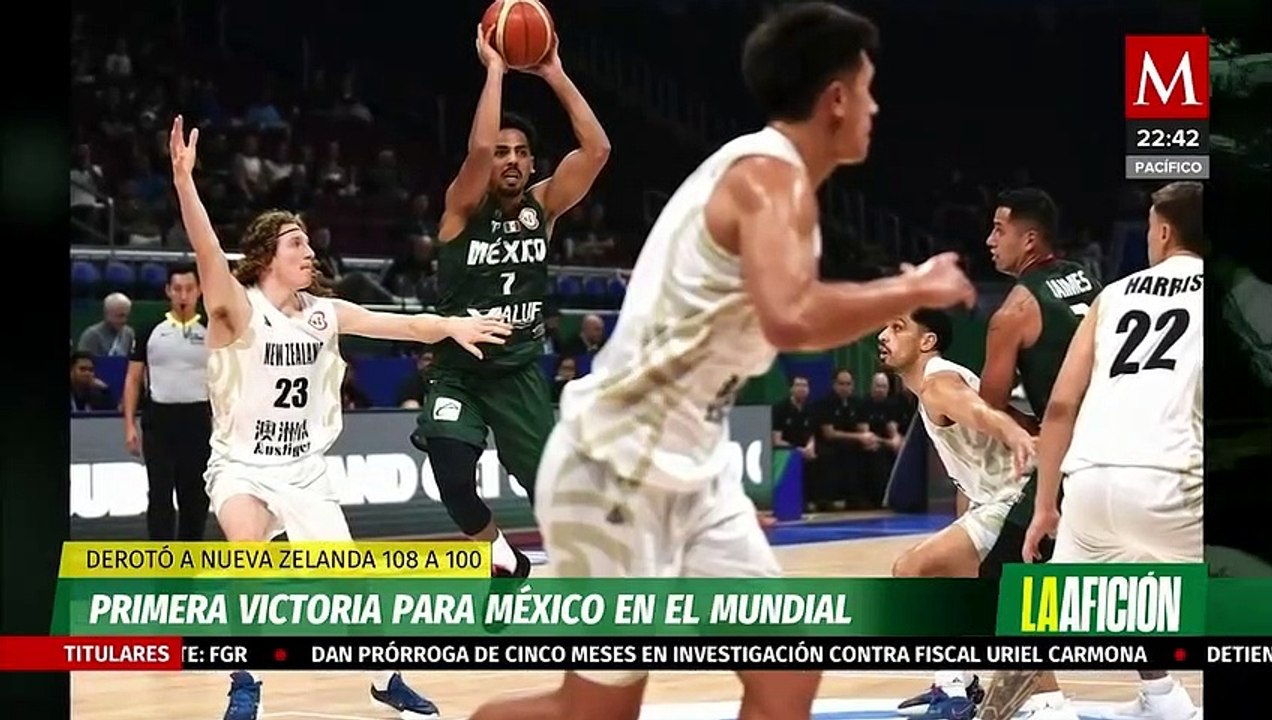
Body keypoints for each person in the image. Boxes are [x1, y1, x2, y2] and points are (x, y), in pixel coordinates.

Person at [469, 4, 976, 720]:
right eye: (867, 88)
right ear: (835, 98)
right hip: (614, 466)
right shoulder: (766, 178)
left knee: (786, 671)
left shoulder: (781, 182)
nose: (874, 105)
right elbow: (791, 316)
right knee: (597, 713)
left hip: (694, 469)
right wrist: (914, 287)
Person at [168, 115, 510, 720]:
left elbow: (402, 325)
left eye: (308, 242)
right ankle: (245, 681)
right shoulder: (234, 311)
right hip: (242, 467)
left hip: (304, 469)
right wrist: (185, 183)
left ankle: (386, 681)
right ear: (266, 256)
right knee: (244, 553)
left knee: (350, 590)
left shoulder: (324, 312)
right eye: (296, 242)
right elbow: (203, 251)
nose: (310, 251)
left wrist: (452, 325)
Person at [409, 24, 610, 578]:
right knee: (451, 473)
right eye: (502, 153)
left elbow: (597, 150)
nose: (512, 160)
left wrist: (553, 72)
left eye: (522, 152)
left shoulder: (541, 210)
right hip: (460, 371)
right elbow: (476, 147)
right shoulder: (459, 211)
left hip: (518, 373)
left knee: (555, 499)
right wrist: (496, 67)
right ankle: (499, 549)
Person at [898, 189, 1100, 720]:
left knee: (1002, 588)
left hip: (1055, 462)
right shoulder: (1088, 282)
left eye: (998, 229)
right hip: (1111, 446)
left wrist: (1020, 430)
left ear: (1028, 237)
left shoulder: (1011, 314)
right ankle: (1158, 693)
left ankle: (1040, 701)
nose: (989, 240)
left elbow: (987, 407)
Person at [1016, 181, 1204, 720]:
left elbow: (1059, 407)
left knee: (1047, 615)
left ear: (1164, 231)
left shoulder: (1113, 295)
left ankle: (1152, 697)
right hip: (1174, 481)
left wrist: (1046, 504)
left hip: (1091, 484)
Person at [122, 264, 214, 541]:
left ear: (199, 291)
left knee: (195, 495)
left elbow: (228, 377)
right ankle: (161, 559)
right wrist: (129, 425)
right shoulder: (150, 329)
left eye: (189, 289)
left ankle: (190, 557)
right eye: (177, 289)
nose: (183, 295)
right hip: (159, 420)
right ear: (168, 291)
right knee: (160, 492)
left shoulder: (212, 329)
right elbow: (133, 379)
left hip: (198, 419)